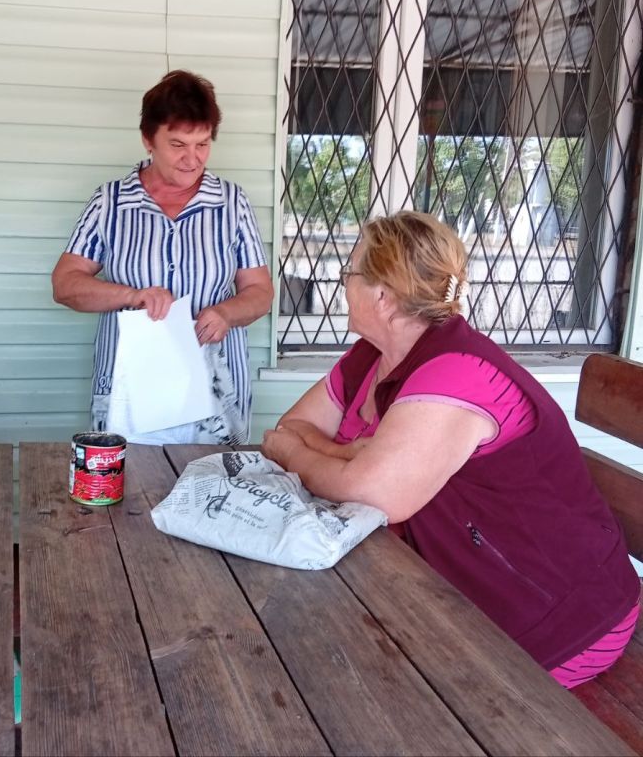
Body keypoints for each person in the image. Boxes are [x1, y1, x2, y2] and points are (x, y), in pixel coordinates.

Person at [261, 211, 640, 688]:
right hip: (457, 588)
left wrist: (303, 457)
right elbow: (291, 425)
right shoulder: (372, 356)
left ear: (383, 295)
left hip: (559, 615)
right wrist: (355, 452)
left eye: (350, 272)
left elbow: (371, 490)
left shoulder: (456, 371)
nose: (342, 282)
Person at [51, 69, 273, 445]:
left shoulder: (231, 203)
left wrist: (225, 314)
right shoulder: (112, 202)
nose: (192, 158)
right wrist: (132, 296)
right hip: (130, 390)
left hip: (213, 394)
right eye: (178, 145)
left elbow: (260, 291)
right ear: (147, 140)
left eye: (202, 144)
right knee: (128, 495)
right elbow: (65, 284)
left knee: (212, 492)